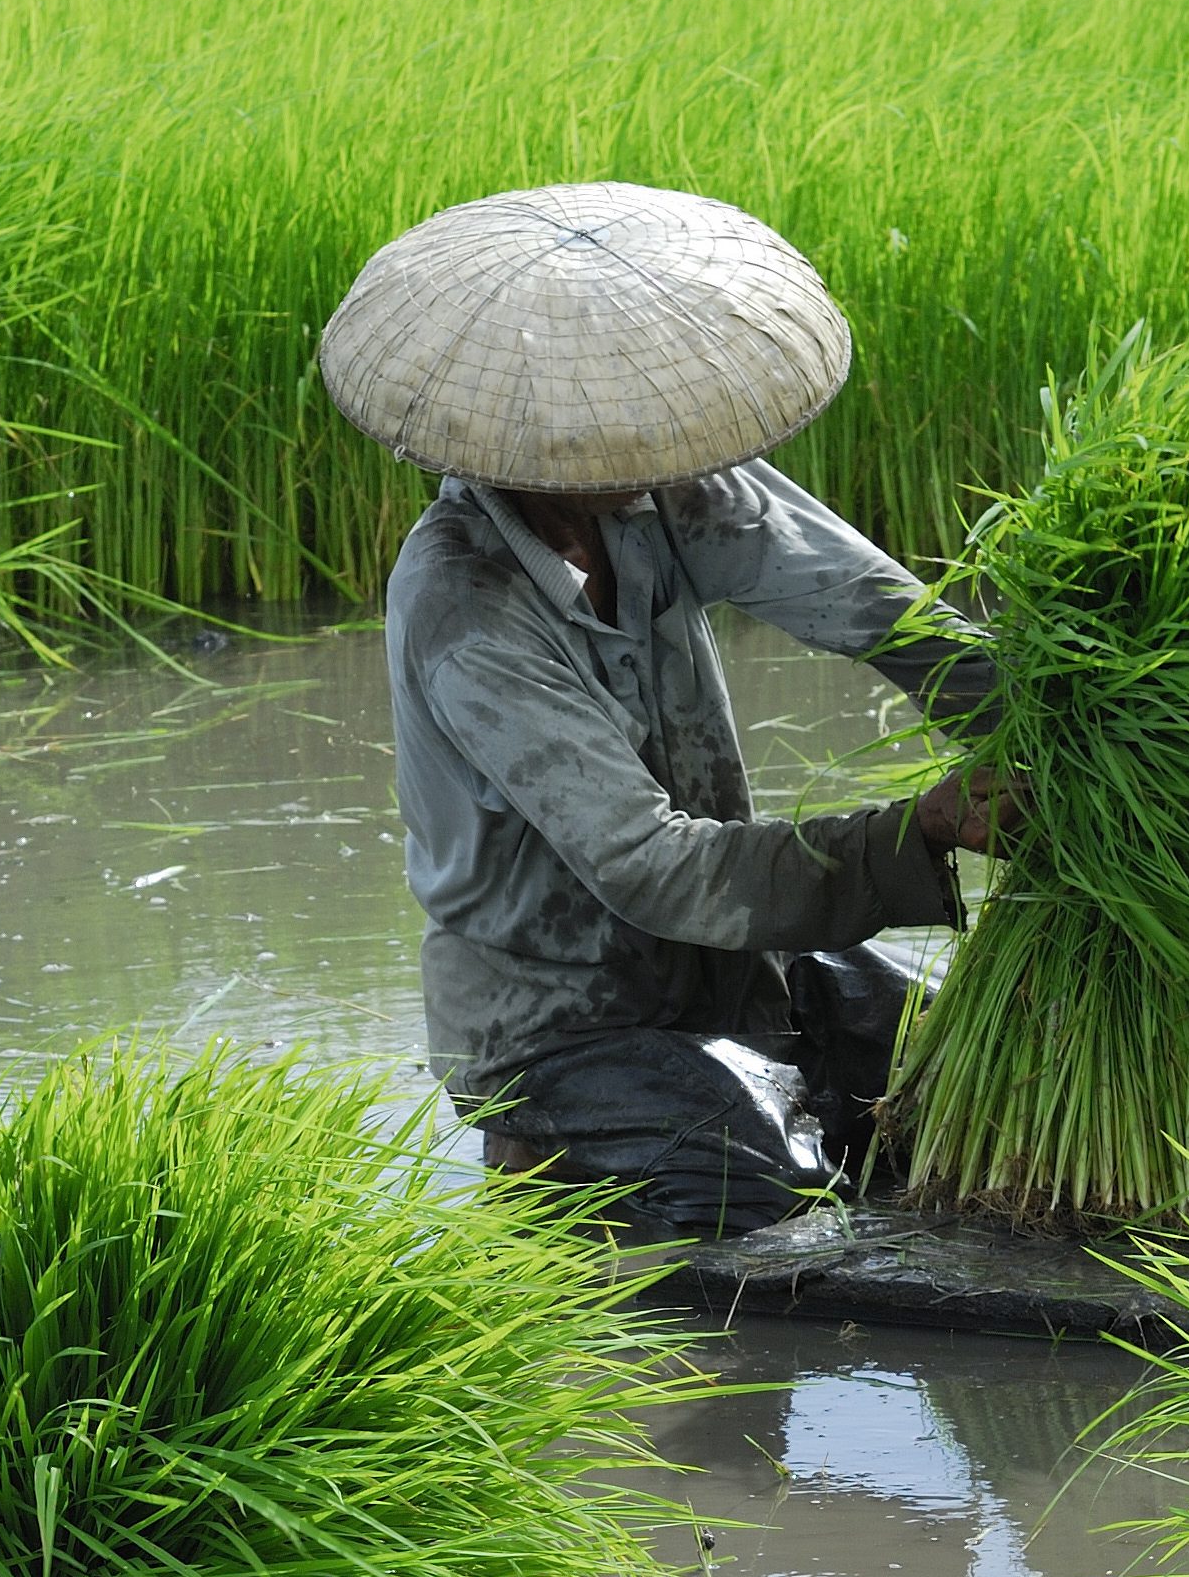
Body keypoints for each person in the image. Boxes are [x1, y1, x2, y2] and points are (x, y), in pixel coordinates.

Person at [318, 181, 1018, 1234]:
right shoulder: (464, 608)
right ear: (523, 444)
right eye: (604, 428)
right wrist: (916, 829)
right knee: (758, 1186)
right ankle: (558, 1209)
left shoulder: (656, 494)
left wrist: (1049, 715)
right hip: (553, 1014)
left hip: (719, 962)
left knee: (950, 1073)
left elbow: (881, 615)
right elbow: (648, 864)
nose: (644, 443)